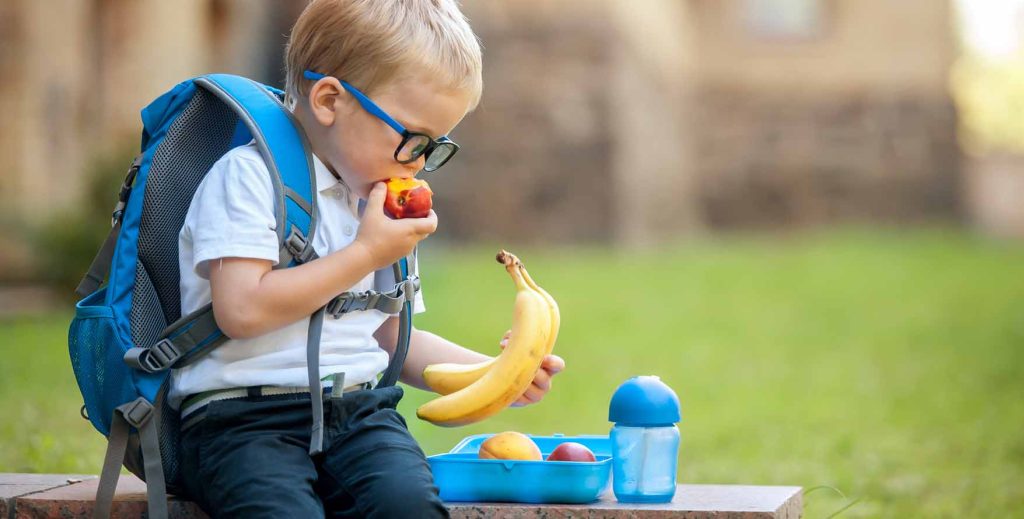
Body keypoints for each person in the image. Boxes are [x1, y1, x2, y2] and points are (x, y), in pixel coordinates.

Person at [170, 1, 565, 517]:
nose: (420, 162)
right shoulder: (247, 178)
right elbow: (241, 311)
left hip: (359, 414)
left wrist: (496, 375)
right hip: (243, 419)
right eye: (411, 138)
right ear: (330, 100)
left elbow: (389, 337)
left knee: (408, 505)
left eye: (436, 145)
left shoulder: (379, 205)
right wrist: (366, 252)